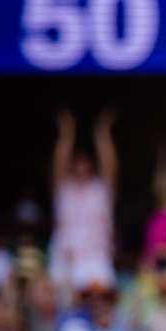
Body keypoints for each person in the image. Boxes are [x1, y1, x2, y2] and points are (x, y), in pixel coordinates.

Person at [49, 110, 117, 295]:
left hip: (96, 259)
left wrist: (102, 135)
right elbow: (58, 164)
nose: (81, 172)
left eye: (85, 168)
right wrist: (66, 135)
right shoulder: (64, 192)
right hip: (66, 259)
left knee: (102, 299)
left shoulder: (100, 192)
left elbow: (109, 166)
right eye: (77, 168)